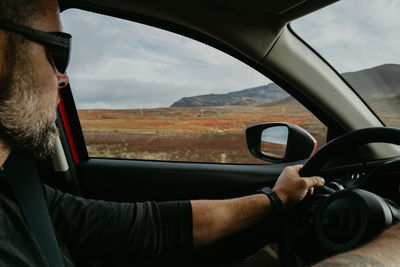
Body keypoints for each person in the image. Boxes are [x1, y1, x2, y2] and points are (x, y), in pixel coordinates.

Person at [0, 0, 397, 266]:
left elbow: (149, 225)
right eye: (58, 51)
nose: (63, 78)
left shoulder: (17, 193)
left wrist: (276, 200)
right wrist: (390, 248)